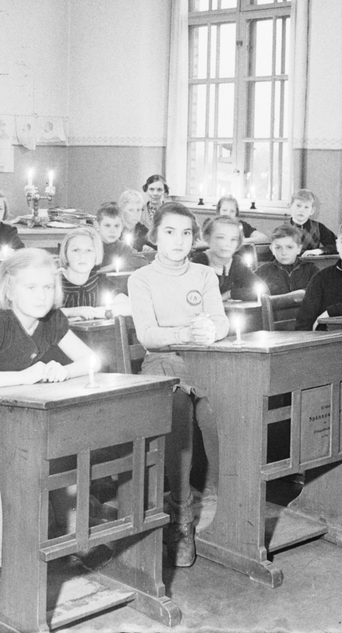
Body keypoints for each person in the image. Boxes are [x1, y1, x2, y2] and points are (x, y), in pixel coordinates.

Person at [0, 249, 96, 594]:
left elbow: (90, 360)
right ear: (10, 289)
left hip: (18, 420)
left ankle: (73, 537)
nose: (41, 295)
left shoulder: (53, 321)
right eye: (31, 287)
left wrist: (64, 371)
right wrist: (24, 376)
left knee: (63, 447)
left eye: (48, 287)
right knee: (23, 462)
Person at [127, 202, 229, 567]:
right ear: (155, 236)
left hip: (202, 362)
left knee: (220, 411)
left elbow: (221, 321)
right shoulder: (141, 278)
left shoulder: (204, 274)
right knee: (178, 412)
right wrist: (183, 333)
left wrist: (211, 330)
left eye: (186, 233)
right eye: (170, 232)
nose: (179, 240)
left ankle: (223, 504)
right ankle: (182, 515)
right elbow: (147, 334)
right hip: (162, 363)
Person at [58, 226, 131, 319]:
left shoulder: (99, 281)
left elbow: (129, 307)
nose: (83, 256)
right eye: (76, 250)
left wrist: (92, 312)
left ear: (97, 254)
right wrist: (73, 312)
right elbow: (42, 314)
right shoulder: (54, 281)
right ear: (65, 253)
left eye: (89, 250)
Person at [191, 215, 261, 301]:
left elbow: (261, 291)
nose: (227, 244)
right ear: (207, 238)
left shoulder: (236, 263)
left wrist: (229, 294)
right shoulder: (200, 262)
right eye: (221, 238)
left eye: (233, 239)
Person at [255, 224, 319, 296]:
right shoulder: (264, 271)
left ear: (298, 249)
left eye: (289, 247)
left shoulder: (310, 269)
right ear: (272, 249)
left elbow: (319, 290)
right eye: (278, 248)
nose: (283, 253)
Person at [96, 202, 149, 272]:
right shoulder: (92, 245)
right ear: (97, 226)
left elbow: (143, 261)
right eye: (107, 225)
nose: (112, 231)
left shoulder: (123, 247)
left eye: (116, 226)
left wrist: (112, 266)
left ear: (122, 227)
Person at [285, 189, 337, 256]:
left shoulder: (319, 228)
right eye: (298, 206)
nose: (301, 210)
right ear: (290, 207)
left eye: (306, 207)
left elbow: (337, 245)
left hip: (312, 262)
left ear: (312, 211)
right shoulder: (283, 230)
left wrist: (319, 251)